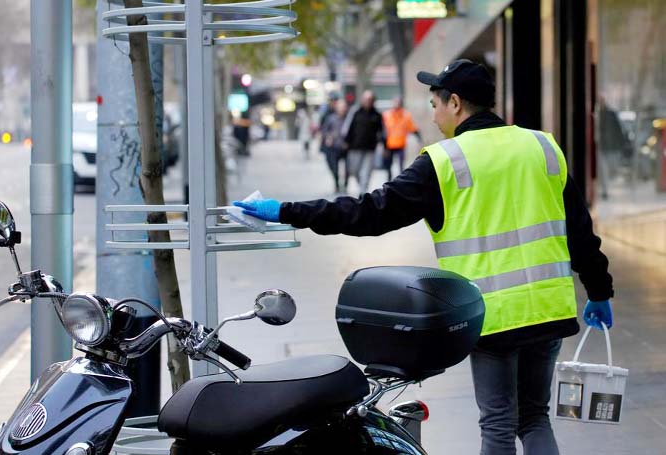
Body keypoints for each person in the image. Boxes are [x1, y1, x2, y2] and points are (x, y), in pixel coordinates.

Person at [234, 59, 614, 455]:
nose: (432, 116)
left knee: (498, 422)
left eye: (434, 104)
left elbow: (369, 213)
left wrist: (286, 211)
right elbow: (580, 230)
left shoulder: (443, 161)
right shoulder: (542, 146)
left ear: (455, 103)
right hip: (549, 309)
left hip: (495, 316)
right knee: (534, 416)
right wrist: (599, 290)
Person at [343, 90, 385, 194]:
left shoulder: (377, 115)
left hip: (370, 148)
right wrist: (346, 141)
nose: (368, 102)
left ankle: (363, 192)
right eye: (366, 99)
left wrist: (384, 145)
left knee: (366, 172)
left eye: (370, 100)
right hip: (355, 147)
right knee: (354, 170)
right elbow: (347, 127)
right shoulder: (355, 112)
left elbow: (382, 131)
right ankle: (361, 184)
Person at [382, 97, 421, 181]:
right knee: (389, 164)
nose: (396, 104)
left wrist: (418, 137)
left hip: (401, 144)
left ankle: (400, 179)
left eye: (398, 102)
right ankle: (389, 178)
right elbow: (382, 129)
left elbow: (412, 127)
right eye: (395, 102)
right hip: (389, 144)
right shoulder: (386, 115)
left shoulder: (406, 115)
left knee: (401, 164)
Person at [321, 99, 349, 193]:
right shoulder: (331, 118)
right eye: (341, 107)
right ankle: (336, 183)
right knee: (334, 167)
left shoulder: (349, 119)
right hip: (334, 147)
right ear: (337, 108)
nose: (342, 109)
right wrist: (328, 137)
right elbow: (324, 131)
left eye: (344, 107)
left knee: (348, 169)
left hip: (346, 147)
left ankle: (345, 185)